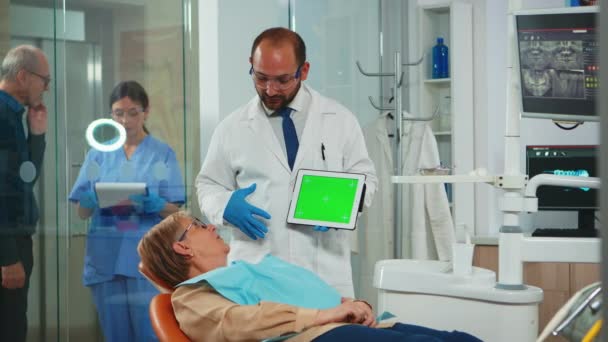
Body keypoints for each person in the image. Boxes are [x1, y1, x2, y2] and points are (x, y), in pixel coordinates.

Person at [195, 27, 377, 297]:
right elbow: (207, 185)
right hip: (257, 273)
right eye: (261, 78)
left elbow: (367, 179)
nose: (270, 89)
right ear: (251, 66)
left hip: (324, 273)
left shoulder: (339, 119)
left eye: (282, 80)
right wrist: (224, 206)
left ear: (303, 71)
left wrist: (344, 204)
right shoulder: (231, 128)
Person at [137, 212, 482, 342]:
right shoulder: (191, 296)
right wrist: (324, 315)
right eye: (197, 226)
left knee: (459, 339)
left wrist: (348, 304)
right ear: (183, 249)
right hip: (314, 337)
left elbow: (306, 293)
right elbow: (239, 323)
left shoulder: (245, 271)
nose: (210, 226)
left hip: (341, 325)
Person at [69, 80, 185, 341]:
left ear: (146, 111)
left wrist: (155, 204)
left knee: (149, 333)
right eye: (118, 113)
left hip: (146, 260)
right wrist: (89, 200)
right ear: (111, 115)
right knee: (116, 336)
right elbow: (82, 213)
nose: (125, 120)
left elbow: (175, 211)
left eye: (133, 112)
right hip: (105, 261)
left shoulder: (161, 153)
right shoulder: (99, 154)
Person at [0, 45, 50, 342]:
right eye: (45, 80)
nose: (46, 88)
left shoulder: (14, 115)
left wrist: (37, 135)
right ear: (22, 76)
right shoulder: (3, 117)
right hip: (8, 244)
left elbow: (23, 180)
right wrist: (7, 257)